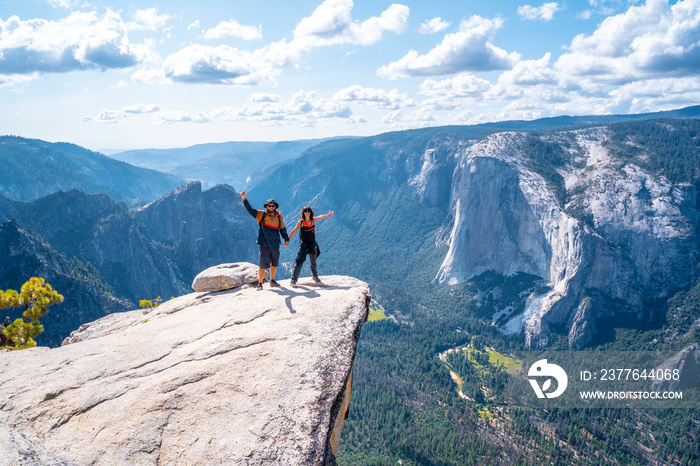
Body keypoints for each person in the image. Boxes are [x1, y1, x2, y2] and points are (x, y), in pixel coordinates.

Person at [240, 191, 289, 290]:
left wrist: (286, 239)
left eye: (273, 206)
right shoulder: (261, 214)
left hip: (275, 244)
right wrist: (244, 198)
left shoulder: (279, 216)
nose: (271, 207)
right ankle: (260, 283)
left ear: (275, 207)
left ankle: (272, 280)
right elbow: (250, 210)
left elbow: (282, 229)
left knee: (274, 264)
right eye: (269, 206)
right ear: (267, 206)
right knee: (262, 265)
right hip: (264, 244)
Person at [288, 206, 334, 288]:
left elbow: (320, 217)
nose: (307, 212)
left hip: (312, 244)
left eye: (308, 211)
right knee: (299, 261)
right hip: (304, 245)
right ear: (303, 213)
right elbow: (294, 230)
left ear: (310, 212)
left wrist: (328, 215)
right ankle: (293, 280)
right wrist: (288, 239)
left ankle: (315, 276)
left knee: (313, 261)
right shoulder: (301, 222)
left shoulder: (313, 220)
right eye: (305, 211)